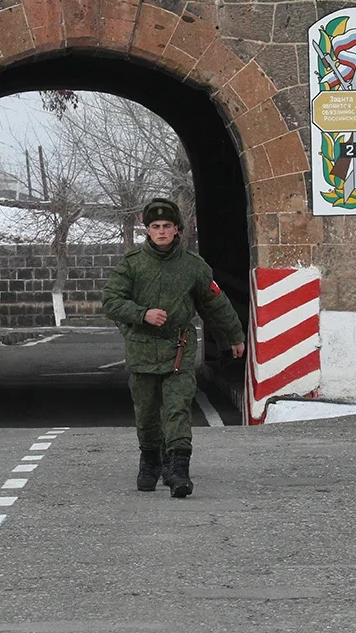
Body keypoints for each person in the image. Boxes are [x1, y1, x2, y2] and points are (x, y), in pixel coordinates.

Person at [102, 197, 246, 498]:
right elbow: (111, 301)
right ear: (147, 230)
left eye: (167, 226)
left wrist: (234, 336)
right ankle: (150, 461)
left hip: (178, 348)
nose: (161, 231)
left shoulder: (193, 266)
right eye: (155, 226)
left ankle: (179, 469)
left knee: (177, 408)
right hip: (142, 348)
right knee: (146, 412)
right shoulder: (131, 264)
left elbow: (215, 303)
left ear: (177, 229)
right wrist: (142, 314)